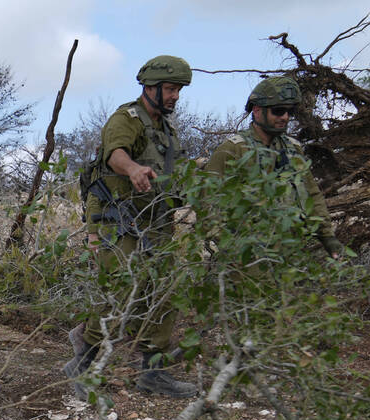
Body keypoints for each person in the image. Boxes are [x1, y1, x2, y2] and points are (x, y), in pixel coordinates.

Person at [64, 56, 198, 400]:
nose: (175, 96)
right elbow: (115, 155)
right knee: (118, 296)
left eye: (178, 90)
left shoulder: (166, 130)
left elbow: (178, 174)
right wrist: (134, 169)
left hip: (156, 223)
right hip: (120, 222)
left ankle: (153, 373)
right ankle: (83, 368)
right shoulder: (127, 119)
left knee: (162, 295)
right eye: (170, 89)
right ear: (149, 87)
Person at [203, 76, 343, 256]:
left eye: (288, 112)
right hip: (247, 256)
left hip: (291, 252)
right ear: (257, 111)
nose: (284, 117)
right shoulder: (232, 149)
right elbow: (207, 202)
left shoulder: (293, 149)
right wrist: (233, 247)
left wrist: (327, 237)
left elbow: (311, 194)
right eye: (278, 111)